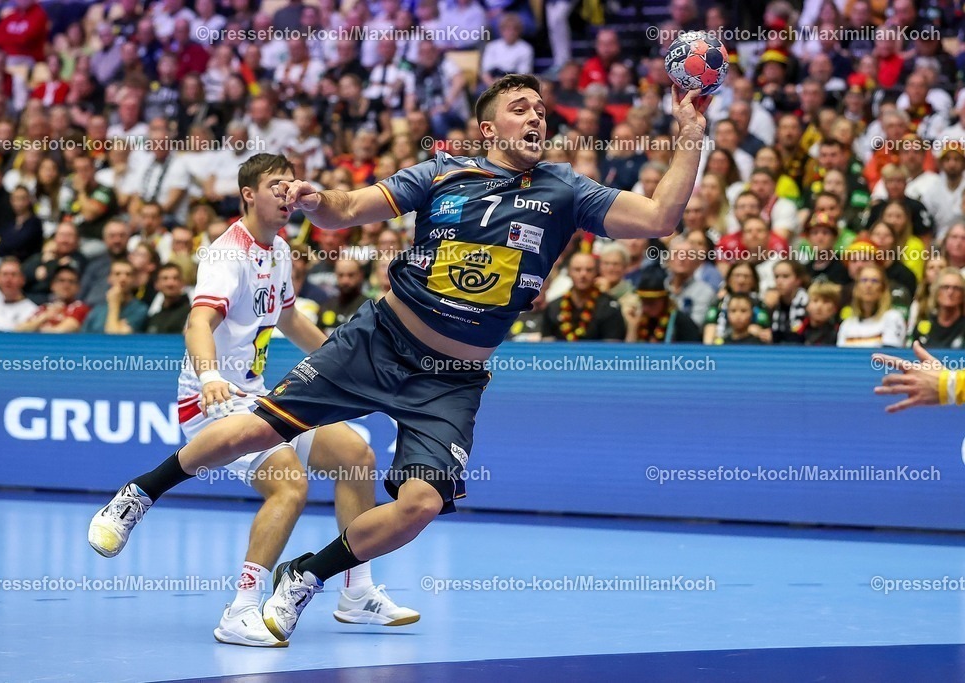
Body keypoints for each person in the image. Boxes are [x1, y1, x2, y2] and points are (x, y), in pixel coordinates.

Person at [87, 74, 709, 644]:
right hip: (380, 341)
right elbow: (349, 209)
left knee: (421, 506)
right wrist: (314, 197)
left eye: (542, 110)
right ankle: (140, 492)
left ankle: (308, 575)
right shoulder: (441, 173)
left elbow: (660, 218)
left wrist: (689, 137)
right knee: (255, 427)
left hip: (453, 379)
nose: (536, 116)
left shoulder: (567, 190)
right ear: (489, 129)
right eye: (520, 108)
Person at [90, 154, 417, 646]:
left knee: (356, 457)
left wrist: (347, 360)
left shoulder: (280, 250)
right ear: (248, 194)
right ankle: (240, 609)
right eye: (275, 185)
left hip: (257, 395)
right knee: (289, 486)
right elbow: (198, 322)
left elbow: (288, 321)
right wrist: (209, 376)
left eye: (291, 185)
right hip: (211, 402)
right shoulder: (227, 255)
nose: (287, 194)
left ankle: (356, 591)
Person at [542, 252, 626, 341]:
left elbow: (613, 347)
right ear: (569, 272)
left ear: (596, 273)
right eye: (577, 270)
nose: (583, 274)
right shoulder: (553, 307)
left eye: (589, 270)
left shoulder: (610, 307)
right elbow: (546, 345)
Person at [836, 264, 907, 347]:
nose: (869, 285)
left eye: (874, 281)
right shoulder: (847, 324)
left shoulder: (892, 318)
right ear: (856, 287)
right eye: (864, 280)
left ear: (882, 289)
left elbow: (890, 355)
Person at [910, 268, 965, 349]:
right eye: (945, 287)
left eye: (956, 288)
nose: (950, 292)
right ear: (936, 291)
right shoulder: (922, 326)